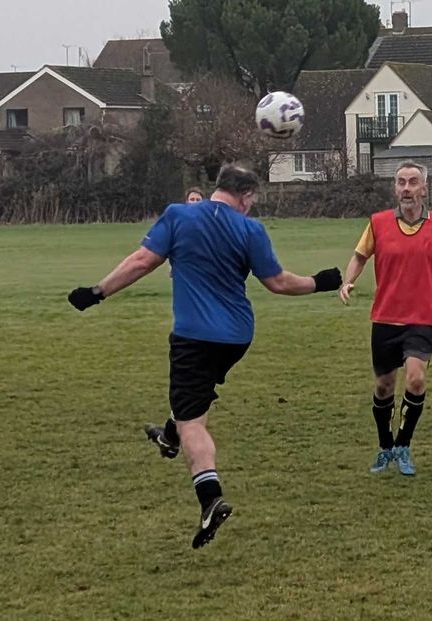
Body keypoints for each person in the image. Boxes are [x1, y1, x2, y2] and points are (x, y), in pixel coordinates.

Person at [67, 164, 341, 549]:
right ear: (245, 196)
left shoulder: (179, 215)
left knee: (193, 419)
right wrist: (322, 282)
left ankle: (210, 496)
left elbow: (142, 261)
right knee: (194, 399)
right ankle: (169, 434)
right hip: (237, 337)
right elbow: (279, 283)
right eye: (252, 201)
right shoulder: (251, 230)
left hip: (194, 337)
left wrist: (97, 292)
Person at [336, 162, 432, 476]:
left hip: (423, 316)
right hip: (386, 317)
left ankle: (404, 444)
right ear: (395, 188)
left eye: (413, 182)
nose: (406, 188)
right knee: (383, 387)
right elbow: (360, 256)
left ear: (424, 188)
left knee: (416, 379)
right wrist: (348, 280)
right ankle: (385, 446)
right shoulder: (378, 223)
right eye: (400, 182)